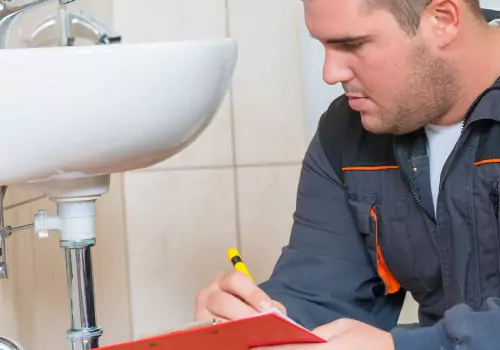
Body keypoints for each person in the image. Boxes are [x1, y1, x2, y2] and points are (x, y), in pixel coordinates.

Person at [195, 0, 500, 349]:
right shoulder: (346, 135)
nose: (330, 73)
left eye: (352, 45)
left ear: (443, 20)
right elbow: (320, 295)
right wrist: (261, 321)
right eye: (323, 45)